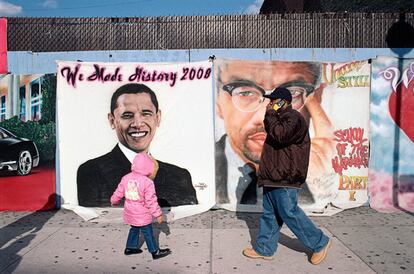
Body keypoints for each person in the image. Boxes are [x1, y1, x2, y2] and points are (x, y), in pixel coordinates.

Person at [215, 59, 335, 206]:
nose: (262, 118)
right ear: (218, 102)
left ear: (316, 99)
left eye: (292, 93)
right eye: (245, 92)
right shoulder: (199, 168)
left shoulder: (317, 166)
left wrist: (319, 182)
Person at [242, 87, 332, 264]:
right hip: (273, 177)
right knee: (270, 214)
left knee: (289, 213)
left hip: (285, 178)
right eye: (270, 101)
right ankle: (265, 249)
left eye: (274, 100)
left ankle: (320, 242)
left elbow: (280, 135)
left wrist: (270, 114)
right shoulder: (278, 119)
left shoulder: (294, 118)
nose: (270, 104)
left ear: (284, 101)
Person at [77, 83, 198, 207]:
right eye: (127, 115)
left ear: (158, 118)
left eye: (146, 114)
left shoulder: (180, 176)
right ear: (112, 121)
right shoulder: (91, 172)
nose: (138, 124)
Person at [110, 152, 171, 259]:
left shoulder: (126, 178)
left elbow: (118, 192)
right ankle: (155, 251)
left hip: (130, 212)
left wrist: (113, 200)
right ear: (148, 167)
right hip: (142, 214)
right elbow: (150, 201)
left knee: (134, 229)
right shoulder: (147, 182)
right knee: (148, 232)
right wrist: (158, 214)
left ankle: (130, 248)